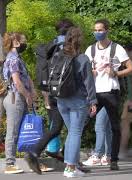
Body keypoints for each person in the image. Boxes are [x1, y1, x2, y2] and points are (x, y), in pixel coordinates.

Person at [25, 19, 74, 174]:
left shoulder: (50, 45)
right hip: (63, 93)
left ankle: (68, 158)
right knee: (72, 127)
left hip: (51, 91)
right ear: (70, 30)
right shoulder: (65, 47)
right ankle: (35, 153)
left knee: (59, 126)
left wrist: (46, 95)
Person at [85, 19, 132, 170]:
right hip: (95, 93)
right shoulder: (90, 50)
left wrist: (116, 73)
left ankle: (113, 160)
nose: (97, 33)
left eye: (100, 30)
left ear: (107, 31)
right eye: (95, 30)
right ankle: (72, 157)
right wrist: (90, 72)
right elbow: (83, 70)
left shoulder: (117, 48)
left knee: (114, 126)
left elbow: (131, 69)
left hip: (111, 92)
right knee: (83, 122)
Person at [56, 26, 97, 178]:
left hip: (61, 100)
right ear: (80, 41)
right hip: (77, 101)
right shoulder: (83, 58)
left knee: (72, 133)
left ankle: (71, 166)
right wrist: (93, 101)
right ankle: (70, 168)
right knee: (75, 133)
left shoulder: (59, 55)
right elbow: (89, 83)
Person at [2, 32, 37, 174]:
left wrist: (32, 90)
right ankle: (9, 164)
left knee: (25, 130)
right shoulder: (13, 59)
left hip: (18, 97)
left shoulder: (17, 58)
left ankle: (31, 162)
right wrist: (28, 95)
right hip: (15, 98)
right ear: (15, 42)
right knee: (13, 131)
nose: (25, 43)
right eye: (24, 40)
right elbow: (16, 81)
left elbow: (26, 78)